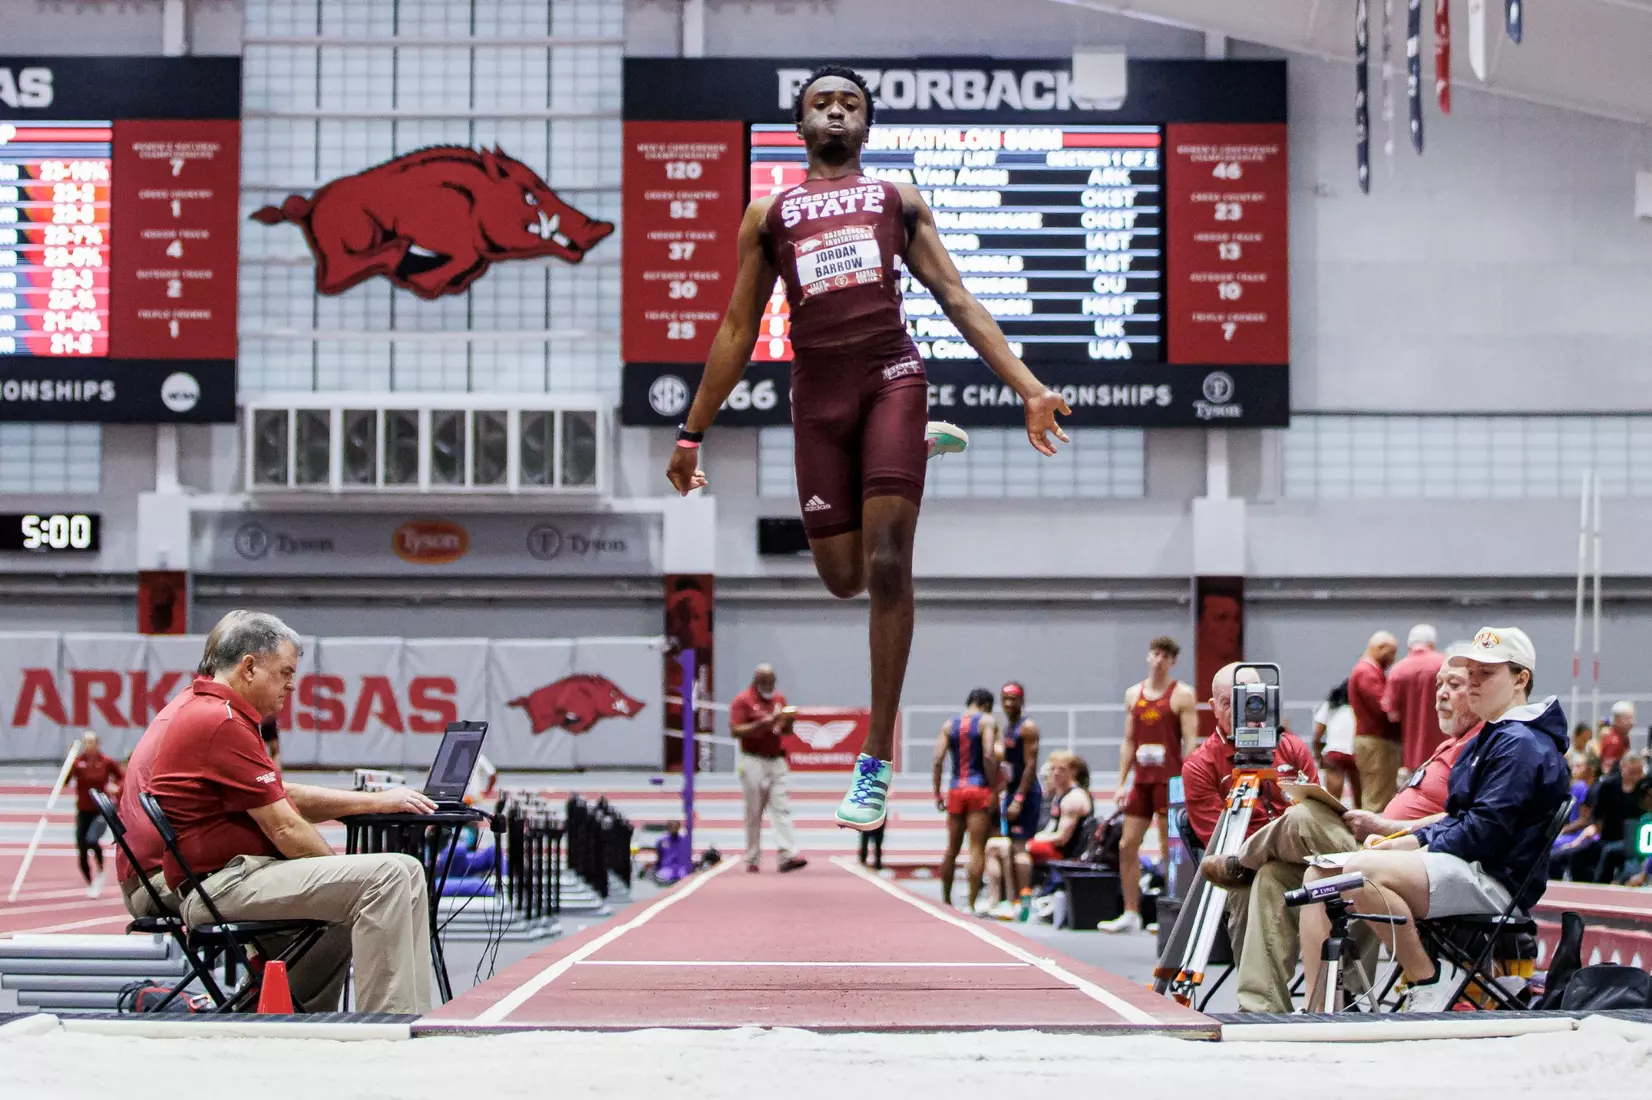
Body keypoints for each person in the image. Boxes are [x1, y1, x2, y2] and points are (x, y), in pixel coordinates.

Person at [663, 64, 1071, 833]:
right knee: (843, 578)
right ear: (801, 125)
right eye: (824, 102)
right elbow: (735, 330)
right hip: (818, 399)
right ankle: (914, 449)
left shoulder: (898, 200)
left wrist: (1029, 387)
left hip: (891, 375)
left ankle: (876, 758)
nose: (838, 111)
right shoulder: (769, 213)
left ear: (866, 125)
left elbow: (956, 297)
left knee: (888, 563)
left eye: (851, 103)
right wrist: (692, 431)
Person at [147, 612, 442, 1014]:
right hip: (220, 885)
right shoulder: (221, 721)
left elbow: (282, 797)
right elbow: (285, 828)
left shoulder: (216, 713)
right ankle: (385, 1024)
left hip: (231, 876)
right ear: (249, 666)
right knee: (388, 876)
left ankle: (393, 1014)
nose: (291, 683)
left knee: (406, 870)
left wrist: (375, 804)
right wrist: (338, 876)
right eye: (284, 671)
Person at [1297, 626, 1569, 1012]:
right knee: (1317, 876)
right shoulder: (1495, 737)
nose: (1473, 684)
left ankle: (1427, 978)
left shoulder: (1521, 744)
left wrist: (1407, 845)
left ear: (1520, 679)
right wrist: (1400, 842)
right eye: (1470, 674)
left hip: (1491, 880)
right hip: (1464, 864)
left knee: (1356, 872)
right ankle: (1321, 1004)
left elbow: (1480, 834)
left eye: (1486, 674)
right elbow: (1460, 820)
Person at [1199, 656, 1483, 1012]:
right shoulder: (1449, 744)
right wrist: (1376, 822)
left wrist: (1389, 829)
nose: (1440, 694)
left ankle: (1244, 861)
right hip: (1374, 843)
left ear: (1480, 691)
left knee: (1304, 817)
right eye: (1439, 685)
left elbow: (1464, 819)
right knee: (1273, 877)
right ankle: (1261, 1007)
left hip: (1403, 858)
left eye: (1453, 686)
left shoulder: (1482, 747)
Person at [1166, 664, 1318, 985]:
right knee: (1259, 886)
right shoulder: (1200, 765)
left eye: (1251, 698)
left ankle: (1346, 995)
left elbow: (1317, 813)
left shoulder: (1291, 748)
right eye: (1229, 701)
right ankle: (1262, 1003)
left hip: (1303, 858)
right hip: (1247, 870)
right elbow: (1223, 845)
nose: (1242, 710)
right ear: (1213, 707)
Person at [1101, 637, 1198, 934]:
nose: (1158, 660)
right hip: (1142, 781)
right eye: (1155, 654)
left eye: (1165, 656)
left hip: (1169, 780)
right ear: (1148, 656)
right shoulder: (1134, 694)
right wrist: (1121, 783)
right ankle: (1131, 912)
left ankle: (1169, 910)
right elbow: (1129, 741)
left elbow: (1191, 742)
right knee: (1126, 845)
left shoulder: (1182, 695)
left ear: (1173, 661)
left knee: (1170, 849)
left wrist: (1188, 781)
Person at [728, 664, 807, 874]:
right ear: (756, 681)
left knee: (781, 807)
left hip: (776, 760)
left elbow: (787, 732)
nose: (770, 687)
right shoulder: (743, 700)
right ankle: (753, 857)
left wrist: (788, 722)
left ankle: (787, 855)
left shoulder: (779, 699)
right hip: (753, 759)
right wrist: (762, 724)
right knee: (754, 811)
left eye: (772, 683)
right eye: (766, 683)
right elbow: (735, 730)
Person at [934, 688, 999, 910]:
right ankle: (971, 904)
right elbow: (989, 754)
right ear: (987, 705)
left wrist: (936, 792)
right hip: (978, 788)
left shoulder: (949, 724)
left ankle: (945, 900)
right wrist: (994, 789)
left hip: (955, 789)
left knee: (951, 849)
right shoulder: (987, 721)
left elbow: (937, 760)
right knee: (976, 848)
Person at [981, 682, 1041, 918]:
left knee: (1019, 848)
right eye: (1005, 698)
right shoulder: (1007, 728)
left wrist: (1018, 798)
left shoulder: (1027, 727)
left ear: (1022, 701)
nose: (1008, 703)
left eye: (1013, 699)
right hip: (1013, 791)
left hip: (1026, 794)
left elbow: (1030, 766)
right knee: (1006, 847)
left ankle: (1021, 900)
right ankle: (1011, 897)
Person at [1566, 750, 1649, 883]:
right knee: (1575, 855)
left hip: (1634, 841)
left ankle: (1599, 887)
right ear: (1622, 768)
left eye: (1638, 773)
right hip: (1607, 838)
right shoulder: (1608, 786)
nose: (1635, 777)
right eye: (1632, 772)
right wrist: (1586, 835)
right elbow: (1597, 819)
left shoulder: (1645, 789)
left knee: (1610, 853)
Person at [1348, 631, 1401, 811]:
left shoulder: (1366, 670)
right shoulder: (1367, 672)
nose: (1393, 659)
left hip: (1371, 740)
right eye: (1392, 652)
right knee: (1378, 799)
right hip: (1375, 741)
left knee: (1375, 794)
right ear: (1379, 648)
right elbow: (1382, 707)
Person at [1384, 624, 1446, 776]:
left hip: (1412, 754)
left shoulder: (1398, 669)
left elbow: (1392, 714)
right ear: (1432, 643)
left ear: (1409, 643)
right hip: (1445, 750)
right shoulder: (1445, 664)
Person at [69, 731, 123, 898]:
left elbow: (122, 777)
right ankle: (91, 882)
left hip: (100, 810)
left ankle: (100, 868)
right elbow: (64, 780)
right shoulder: (78, 763)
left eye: (91, 742)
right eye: (86, 742)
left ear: (97, 744)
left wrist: (116, 787)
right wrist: (68, 763)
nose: (89, 745)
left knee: (92, 840)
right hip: (83, 810)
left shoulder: (106, 762)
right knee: (81, 847)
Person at [1024, 751, 1094, 869]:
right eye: (1052, 769)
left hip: (1066, 854)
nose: (1056, 773)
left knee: (1021, 850)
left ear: (1073, 771)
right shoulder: (1059, 795)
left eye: (1061, 769)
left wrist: (1034, 840)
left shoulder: (1073, 797)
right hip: (1056, 848)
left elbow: (1061, 838)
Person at [1313, 681, 1360, 807]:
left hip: (1334, 752)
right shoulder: (1360, 706)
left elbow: (1317, 736)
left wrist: (1318, 757)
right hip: (1356, 753)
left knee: (1333, 803)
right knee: (1360, 803)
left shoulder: (1330, 706)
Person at [1598, 701, 1635, 774]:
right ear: (1617, 719)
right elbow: (1607, 769)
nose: (1632, 722)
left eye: (1632, 718)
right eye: (1627, 718)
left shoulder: (1624, 738)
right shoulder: (1613, 741)